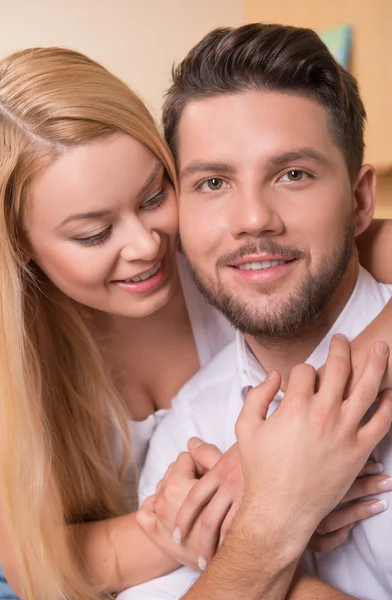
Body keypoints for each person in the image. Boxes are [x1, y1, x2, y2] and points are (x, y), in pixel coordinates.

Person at [0, 42, 391, 600]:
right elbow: (40, 565)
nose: (145, 245)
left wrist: (299, 425)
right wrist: (254, 506)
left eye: (156, 195)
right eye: (93, 234)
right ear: (19, 244)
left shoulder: (238, 259)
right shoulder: (11, 365)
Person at [118, 23, 392, 600]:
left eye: (293, 174)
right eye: (213, 182)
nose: (253, 219)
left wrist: (251, 545)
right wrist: (276, 522)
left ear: (361, 200)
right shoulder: (188, 439)